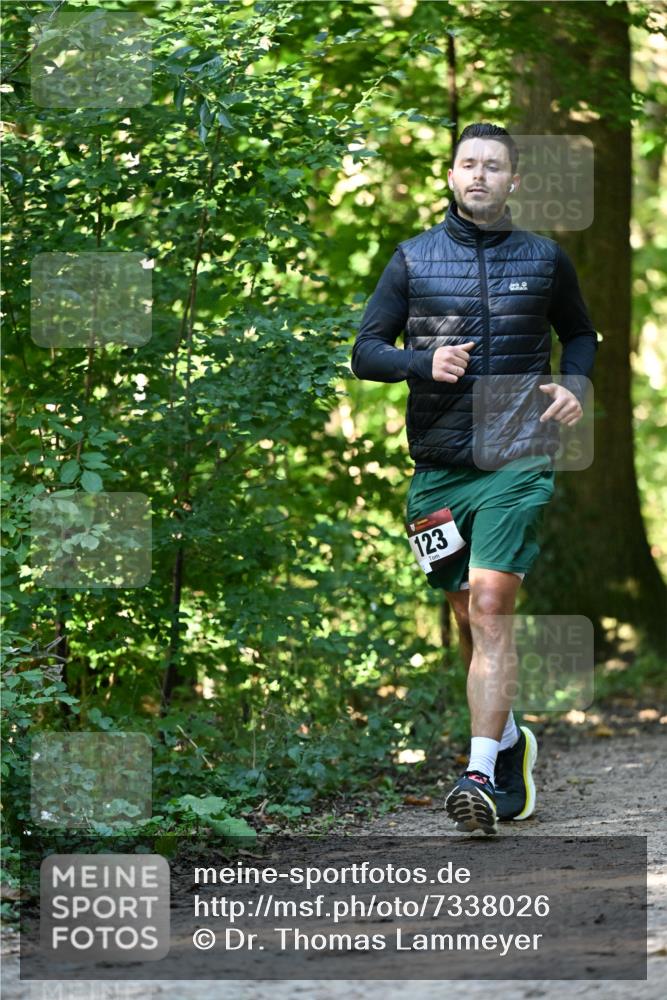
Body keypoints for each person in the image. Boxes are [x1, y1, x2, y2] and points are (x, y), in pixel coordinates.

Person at [350, 122, 598, 834]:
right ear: (451, 176)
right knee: (466, 616)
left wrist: (571, 382)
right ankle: (510, 742)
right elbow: (365, 351)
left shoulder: (545, 259)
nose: (480, 176)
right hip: (436, 470)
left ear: (513, 180)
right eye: (468, 164)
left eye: (493, 166)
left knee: (489, 605)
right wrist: (419, 363)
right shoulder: (411, 260)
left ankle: (476, 773)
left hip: (517, 455)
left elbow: (579, 332)